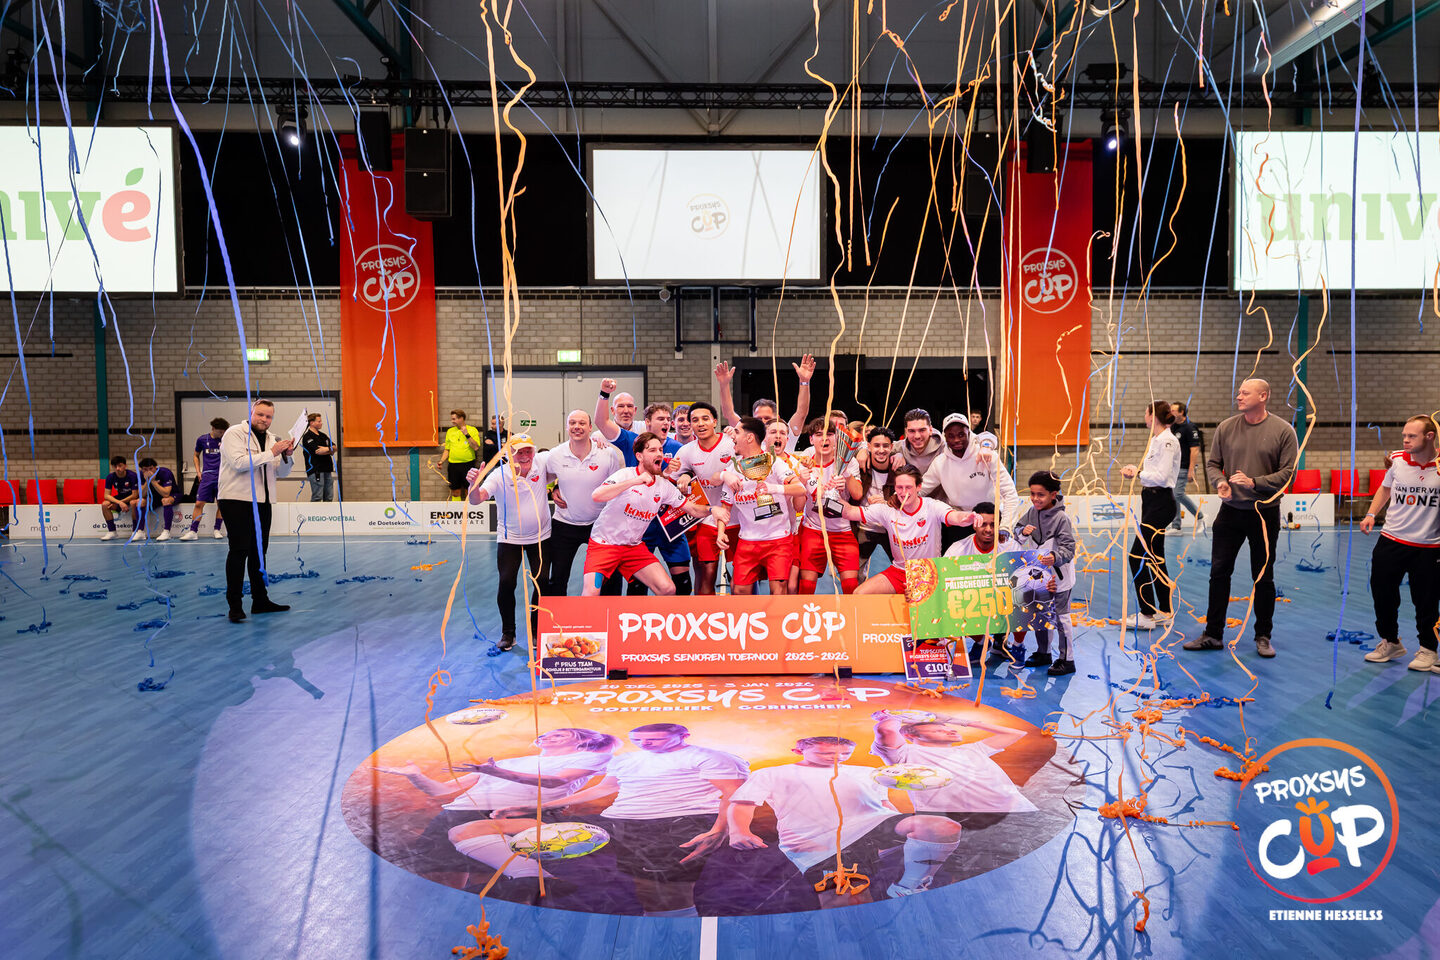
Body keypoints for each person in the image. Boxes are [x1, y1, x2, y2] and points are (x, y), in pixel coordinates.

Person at [495, 723, 749, 917]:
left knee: (671, 892)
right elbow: (603, 788)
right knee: (646, 890)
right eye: (638, 739)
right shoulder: (627, 759)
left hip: (676, 824)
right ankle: (655, 933)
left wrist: (721, 829)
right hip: (624, 824)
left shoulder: (711, 757)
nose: (645, 743)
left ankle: (678, 939)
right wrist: (536, 807)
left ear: (684, 735)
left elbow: (734, 793)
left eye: (654, 739)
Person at [728, 735, 965, 904]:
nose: (836, 758)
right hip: (822, 841)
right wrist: (739, 831)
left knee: (942, 827)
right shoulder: (771, 773)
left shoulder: (867, 772)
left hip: (874, 824)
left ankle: (908, 886)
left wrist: (907, 826)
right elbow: (742, 804)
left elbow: (883, 804)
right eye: (826, 753)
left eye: (844, 753)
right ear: (798, 751)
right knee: (848, 906)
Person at [374, 727, 618, 884]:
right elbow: (441, 791)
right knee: (442, 878)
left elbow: (556, 781)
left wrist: (497, 772)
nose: (549, 736)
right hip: (455, 813)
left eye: (560, 734)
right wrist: (415, 775)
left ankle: (540, 881)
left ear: (586, 740)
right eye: (546, 734)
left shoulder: (592, 757)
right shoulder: (508, 761)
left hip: (513, 814)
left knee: (520, 878)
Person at [1183, 379, 1298, 659]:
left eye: (1245, 393)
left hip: (1264, 513)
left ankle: (1263, 636)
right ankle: (1213, 634)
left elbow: (1288, 473)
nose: (1239, 396)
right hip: (1230, 512)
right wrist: (1220, 482)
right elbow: (1213, 464)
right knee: (1218, 573)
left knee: (1263, 577)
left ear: (1264, 396)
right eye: (1239, 392)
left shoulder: (1283, 430)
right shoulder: (1226, 427)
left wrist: (1254, 482)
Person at [581, 433, 711, 596]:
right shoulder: (625, 475)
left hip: (633, 547)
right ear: (639, 456)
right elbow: (597, 495)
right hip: (604, 544)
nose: (659, 454)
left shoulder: (663, 486)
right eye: (652, 450)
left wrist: (713, 510)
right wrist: (634, 481)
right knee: (591, 593)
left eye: (660, 450)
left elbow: (693, 509)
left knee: (668, 589)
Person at [1360, 415, 1440, 673]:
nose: (1405, 440)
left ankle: (1428, 649)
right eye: (1404, 435)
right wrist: (1371, 514)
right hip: (1391, 540)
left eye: (1411, 436)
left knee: (1426, 601)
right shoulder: (1396, 459)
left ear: (1429, 436)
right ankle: (1391, 642)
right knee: (1382, 593)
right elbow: (1385, 488)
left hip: (1428, 547)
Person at [594, 385, 691, 595]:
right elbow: (601, 422)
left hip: (670, 522)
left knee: (683, 584)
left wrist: (684, 476)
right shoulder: (633, 441)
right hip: (640, 525)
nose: (666, 423)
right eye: (660, 419)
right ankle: (636, 617)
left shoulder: (678, 448)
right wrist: (604, 393)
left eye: (668, 419)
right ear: (647, 422)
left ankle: (677, 616)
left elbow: (691, 476)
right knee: (637, 586)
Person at [829, 464, 972, 594]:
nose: (904, 492)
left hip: (927, 572)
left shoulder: (932, 506)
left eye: (908, 487)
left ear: (919, 487)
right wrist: (831, 496)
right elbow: (849, 512)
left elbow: (955, 517)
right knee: (859, 594)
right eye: (899, 488)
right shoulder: (887, 510)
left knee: (914, 604)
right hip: (899, 571)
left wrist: (968, 517)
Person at [468, 434, 550, 651]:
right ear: (509, 455)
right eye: (518, 452)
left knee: (542, 582)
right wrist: (473, 485)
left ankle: (536, 631)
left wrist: (597, 440)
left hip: (541, 537)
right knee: (506, 583)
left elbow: (569, 453)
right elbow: (476, 500)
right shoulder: (499, 475)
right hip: (509, 538)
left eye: (528, 451)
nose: (524, 456)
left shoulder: (541, 464)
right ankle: (508, 633)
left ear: (534, 452)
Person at [218, 398, 296, 623]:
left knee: (259, 553)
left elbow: (282, 473)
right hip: (236, 500)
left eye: (269, 416)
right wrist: (272, 452)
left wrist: (286, 456)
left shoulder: (272, 438)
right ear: (251, 413)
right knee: (239, 551)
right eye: (260, 414)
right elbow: (239, 463)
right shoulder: (234, 433)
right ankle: (235, 605)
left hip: (263, 502)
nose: (264, 419)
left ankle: (260, 601)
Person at [870, 712, 1037, 817]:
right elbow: (886, 730)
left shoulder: (973, 748)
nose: (951, 730)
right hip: (954, 818)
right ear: (910, 734)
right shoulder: (904, 753)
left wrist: (956, 720)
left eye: (950, 728)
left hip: (1016, 810)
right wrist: (895, 715)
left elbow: (1015, 734)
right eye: (938, 729)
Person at [712, 417, 806, 595]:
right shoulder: (733, 470)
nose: (733, 436)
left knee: (779, 591)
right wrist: (721, 532)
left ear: (749, 438)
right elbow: (726, 507)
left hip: (778, 539)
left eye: (737, 432)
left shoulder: (773, 462)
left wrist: (773, 488)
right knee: (739, 591)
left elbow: (800, 489)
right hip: (747, 540)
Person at [542, 410, 623, 597]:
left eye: (581, 423)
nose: (577, 427)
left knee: (610, 576)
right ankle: (556, 615)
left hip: (599, 525)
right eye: (572, 423)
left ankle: (609, 613)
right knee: (558, 577)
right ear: (567, 427)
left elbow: (615, 487)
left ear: (590, 427)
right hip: (564, 524)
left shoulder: (607, 454)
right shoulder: (555, 455)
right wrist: (554, 488)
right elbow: (545, 478)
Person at [1121, 402, 1181, 630]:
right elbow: (1153, 473)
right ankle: (1165, 611)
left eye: (1145, 413)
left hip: (1160, 503)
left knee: (1136, 557)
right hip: (1152, 502)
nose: (1144, 416)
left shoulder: (1167, 441)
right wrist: (1137, 472)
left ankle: (1147, 614)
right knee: (1155, 558)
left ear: (1152, 416)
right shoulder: (1157, 440)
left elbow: (1162, 477)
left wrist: (1137, 473)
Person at [943, 502, 1026, 668]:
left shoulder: (1011, 547)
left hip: (1004, 599)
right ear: (974, 525)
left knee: (1027, 594)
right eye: (983, 524)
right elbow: (943, 583)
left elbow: (1026, 577)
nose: (988, 529)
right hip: (976, 600)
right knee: (955, 601)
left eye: (993, 525)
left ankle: (1018, 646)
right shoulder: (957, 549)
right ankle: (982, 642)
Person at [920, 413, 1019, 551]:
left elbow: (1010, 494)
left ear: (969, 433)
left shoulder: (987, 455)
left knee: (996, 562)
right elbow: (921, 489)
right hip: (960, 522)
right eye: (951, 436)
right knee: (957, 562)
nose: (956, 440)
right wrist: (898, 497)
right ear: (945, 437)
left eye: (961, 434)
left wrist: (1006, 526)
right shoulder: (940, 463)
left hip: (990, 521)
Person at [1010, 475, 1078, 676]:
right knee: (1041, 613)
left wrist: (1055, 557)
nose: (1035, 498)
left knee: (1061, 618)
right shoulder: (1032, 512)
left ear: (1053, 495)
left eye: (1040, 495)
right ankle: (1043, 653)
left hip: (1059, 579)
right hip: (1039, 578)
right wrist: (1023, 531)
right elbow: (1016, 532)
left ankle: (1067, 660)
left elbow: (1069, 548)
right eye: (1032, 494)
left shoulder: (1061, 518)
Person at [673, 401, 739, 596]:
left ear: (715, 421)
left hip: (738, 519)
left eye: (705, 419)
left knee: (740, 578)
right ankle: (705, 612)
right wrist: (685, 475)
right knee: (707, 573)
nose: (700, 424)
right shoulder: (686, 451)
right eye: (695, 420)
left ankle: (744, 612)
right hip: (707, 519)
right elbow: (675, 478)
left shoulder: (731, 443)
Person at [795, 418, 862, 595]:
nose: (824, 439)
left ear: (836, 439)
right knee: (806, 587)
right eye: (819, 434)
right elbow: (798, 507)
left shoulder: (848, 462)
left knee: (851, 586)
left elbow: (857, 495)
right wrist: (802, 483)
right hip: (813, 530)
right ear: (811, 439)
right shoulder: (803, 465)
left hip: (842, 530)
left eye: (830, 434)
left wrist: (847, 477)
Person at [714, 354, 816, 452]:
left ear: (777, 418)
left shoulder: (785, 433)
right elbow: (729, 413)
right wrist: (724, 384)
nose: (763, 422)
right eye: (758, 419)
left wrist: (804, 381)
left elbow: (801, 412)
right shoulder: (747, 433)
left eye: (767, 418)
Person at [847, 427, 900, 569]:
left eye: (885, 446)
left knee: (905, 570)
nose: (881, 450)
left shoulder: (899, 470)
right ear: (869, 446)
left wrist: (887, 504)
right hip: (863, 528)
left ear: (892, 447)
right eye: (876, 445)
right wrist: (861, 450)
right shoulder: (859, 466)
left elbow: (909, 500)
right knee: (855, 573)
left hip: (891, 531)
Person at [182, 417, 228, 540]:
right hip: (207, 476)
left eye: (223, 432)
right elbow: (195, 455)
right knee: (199, 503)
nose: (222, 434)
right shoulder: (202, 439)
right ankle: (193, 531)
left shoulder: (226, 440)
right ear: (213, 428)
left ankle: (217, 529)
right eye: (220, 431)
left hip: (222, 476)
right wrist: (198, 471)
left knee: (221, 504)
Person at [1168, 401, 1204, 533]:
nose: (1170, 413)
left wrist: (1191, 470)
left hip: (1185, 466)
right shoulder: (1173, 427)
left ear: (1181, 412)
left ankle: (1200, 516)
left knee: (1177, 494)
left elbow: (1194, 449)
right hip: (1174, 467)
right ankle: (1176, 526)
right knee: (1173, 496)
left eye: (1173, 410)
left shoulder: (1190, 427)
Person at [438, 410, 482, 501]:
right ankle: (456, 509)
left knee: (469, 491)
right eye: (452, 419)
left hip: (468, 465)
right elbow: (447, 449)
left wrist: (467, 434)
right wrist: (441, 461)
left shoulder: (472, 430)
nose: (452, 421)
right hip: (453, 465)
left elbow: (476, 447)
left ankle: (469, 509)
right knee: (455, 491)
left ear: (461, 418)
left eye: (454, 419)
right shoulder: (450, 431)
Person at [134, 458, 178, 542]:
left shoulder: (165, 472)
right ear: (142, 469)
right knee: (140, 502)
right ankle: (140, 532)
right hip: (154, 497)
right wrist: (147, 481)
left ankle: (167, 532)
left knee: (166, 500)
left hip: (172, 494)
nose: (148, 471)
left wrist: (153, 481)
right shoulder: (140, 475)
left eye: (151, 468)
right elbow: (141, 494)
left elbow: (166, 494)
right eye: (145, 469)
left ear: (155, 467)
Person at [100, 455, 140, 541]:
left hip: (131, 498)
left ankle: (135, 531)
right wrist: (119, 502)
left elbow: (135, 495)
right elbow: (106, 495)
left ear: (125, 466)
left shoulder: (132, 476)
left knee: (133, 502)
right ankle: (112, 532)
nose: (117, 468)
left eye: (120, 466)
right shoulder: (110, 477)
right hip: (121, 498)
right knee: (105, 504)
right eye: (115, 466)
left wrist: (121, 502)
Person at [300, 413, 336, 502]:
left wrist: (327, 449)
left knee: (329, 497)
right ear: (312, 423)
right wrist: (330, 450)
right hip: (316, 470)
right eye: (319, 421)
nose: (321, 423)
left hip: (327, 469)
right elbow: (318, 451)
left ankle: (327, 511)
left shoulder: (323, 435)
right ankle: (314, 511)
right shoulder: (307, 437)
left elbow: (335, 447)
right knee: (317, 496)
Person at [899, 408, 945, 473]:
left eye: (922, 430)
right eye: (912, 431)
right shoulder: (898, 448)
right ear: (906, 432)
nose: (917, 436)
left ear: (930, 430)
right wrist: (897, 454)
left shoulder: (945, 449)